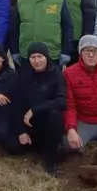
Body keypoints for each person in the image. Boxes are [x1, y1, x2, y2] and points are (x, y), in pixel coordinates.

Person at [6, 42, 67, 175]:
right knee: (11, 147)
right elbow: (15, 104)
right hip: (28, 123)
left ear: (47, 57)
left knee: (55, 114)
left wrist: (35, 109)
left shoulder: (57, 75)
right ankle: (37, 145)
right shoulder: (23, 75)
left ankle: (50, 158)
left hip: (47, 122)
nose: (37, 61)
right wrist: (21, 131)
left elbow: (61, 101)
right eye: (33, 57)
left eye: (40, 56)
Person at [10, 0, 74, 69]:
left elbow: (67, 26)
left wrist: (66, 51)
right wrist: (15, 51)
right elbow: (14, 28)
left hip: (52, 53)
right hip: (27, 54)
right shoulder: (21, 0)